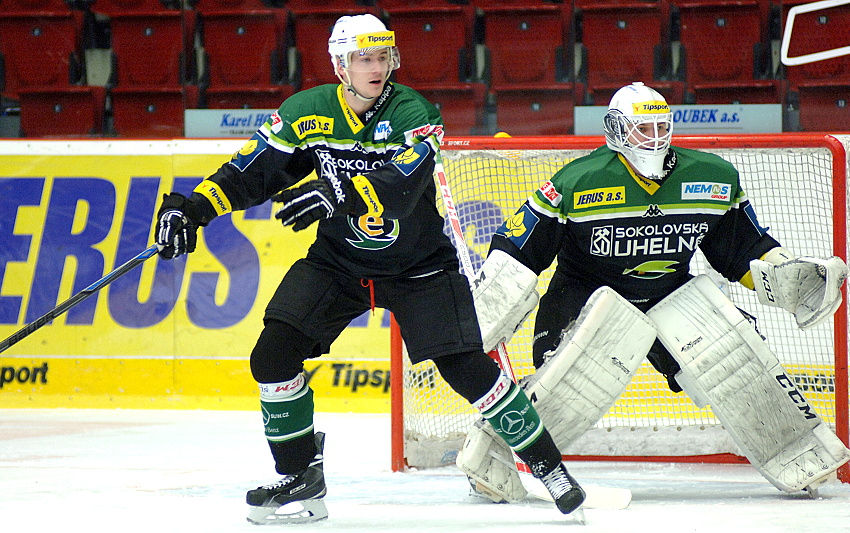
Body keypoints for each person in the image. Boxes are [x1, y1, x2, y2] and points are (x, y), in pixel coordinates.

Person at [153, 13, 585, 525]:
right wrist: (193, 208)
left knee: (467, 369)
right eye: (364, 59)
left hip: (418, 265)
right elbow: (255, 171)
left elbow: (404, 182)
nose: (376, 68)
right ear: (340, 65)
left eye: (382, 57)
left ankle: (550, 467)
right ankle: (299, 475)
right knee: (272, 356)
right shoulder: (307, 112)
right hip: (339, 264)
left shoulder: (413, 112)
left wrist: (337, 191)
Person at [458, 82, 850, 502]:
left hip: (670, 294)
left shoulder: (712, 177)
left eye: (661, 127)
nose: (655, 138)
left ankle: (798, 453)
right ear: (617, 130)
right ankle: (494, 459)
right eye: (643, 129)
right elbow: (520, 248)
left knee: (735, 356)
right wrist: (494, 300)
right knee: (565, 380)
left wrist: (784, 273)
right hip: (586, 294)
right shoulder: (578, 181)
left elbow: (743, 250)